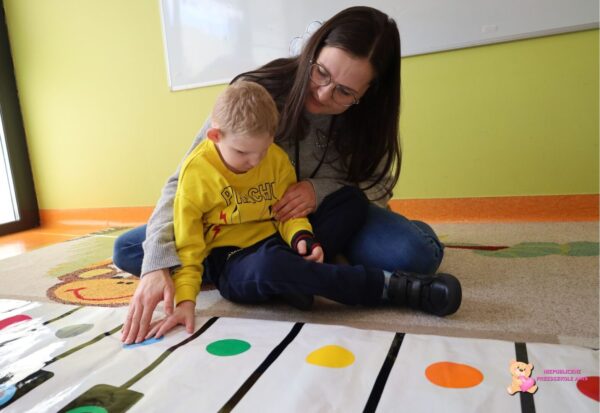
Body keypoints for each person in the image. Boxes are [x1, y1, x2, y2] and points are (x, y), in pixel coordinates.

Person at [117, 6, 457, 344]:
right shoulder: (255, 96)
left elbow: (374, 187)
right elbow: (183, 184)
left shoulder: (368, 119)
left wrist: (317, 191)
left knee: (412, 254)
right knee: (132, 250)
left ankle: (297, 270)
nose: (323, 93)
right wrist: (157, 265)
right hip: (232, 225)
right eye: (321, 73)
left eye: (344, 92)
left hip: (304, 220)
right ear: (312, 52)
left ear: (369, 91)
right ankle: (300, 271)